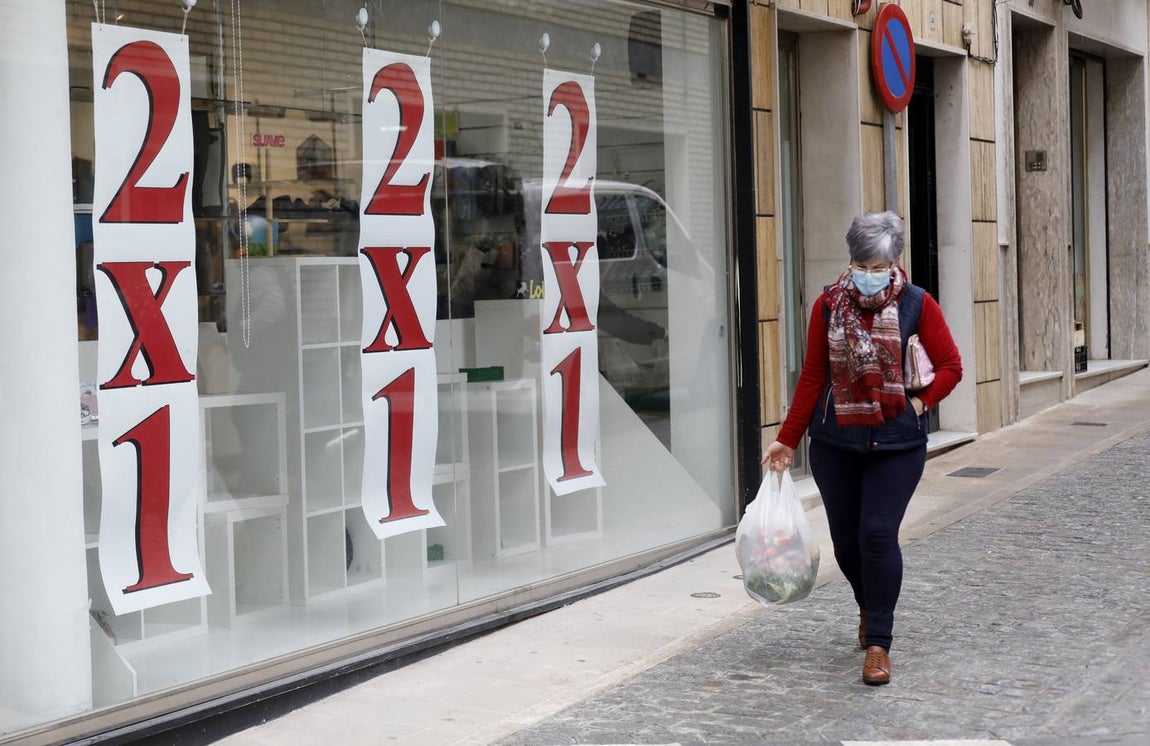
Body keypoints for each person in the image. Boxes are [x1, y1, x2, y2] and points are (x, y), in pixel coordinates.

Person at [761, 211, 962, 686]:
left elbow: (951, 366)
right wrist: (787, 438)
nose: (870, 274)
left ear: (894, 263)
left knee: (877, 535)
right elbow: (813, 375)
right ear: (850, 261)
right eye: (862, 265)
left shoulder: (917, 304)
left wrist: (918, 405)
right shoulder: (828, 306)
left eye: (879, 266)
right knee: (847, 544)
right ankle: (868, 606)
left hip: (897, 444)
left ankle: (878, 643)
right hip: (836, 443)